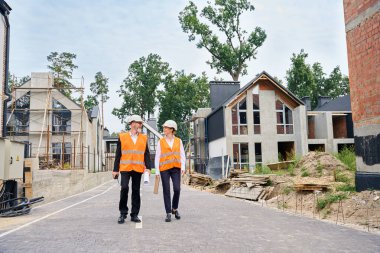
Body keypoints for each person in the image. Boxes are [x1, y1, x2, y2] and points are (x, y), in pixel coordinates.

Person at [113, 115, 151, 224]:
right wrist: (115, 169)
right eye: (139, 123)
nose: (140, 125)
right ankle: (123, 213)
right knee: (124, 188)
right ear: (132, 123)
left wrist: (148, 167)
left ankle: (134, 214)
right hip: (125, 167)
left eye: (140, 123)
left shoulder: (144, 138)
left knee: (136, 191)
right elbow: (118, 154)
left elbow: (146, 154)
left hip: (137, 168)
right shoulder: (122, 136)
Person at [155, 120, 186, 222]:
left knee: (177, 189)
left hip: (176, 168)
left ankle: (174, 208)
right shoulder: (161, 141)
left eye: (166, 128)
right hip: (164, 169)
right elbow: (157, 156)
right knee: (166, 190)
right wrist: (157, 171)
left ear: (172, 129)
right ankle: (168, 212)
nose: (164, 129)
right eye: (164, 128)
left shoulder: (179, 141)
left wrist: (183, 167)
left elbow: (182, 155)